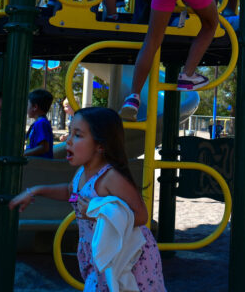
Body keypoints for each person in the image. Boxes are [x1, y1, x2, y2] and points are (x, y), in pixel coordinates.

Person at [9, 107, 166, 290]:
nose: (68, 140)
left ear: (101, 145)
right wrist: (35, 191)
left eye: (78, 135)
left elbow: (140, 216)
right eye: (69, 133)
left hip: (128, 261)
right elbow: (71, 193)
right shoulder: (82, 172)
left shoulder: (110, 178)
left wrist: (96, 213)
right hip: (101, 254)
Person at [24, 89, 54, 159]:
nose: (26, 108)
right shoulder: (39, 123)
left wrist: (24, 154)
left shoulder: (41, 123)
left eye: (28, 104)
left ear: (35, 107)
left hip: (40, 165)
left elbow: (44, 147)